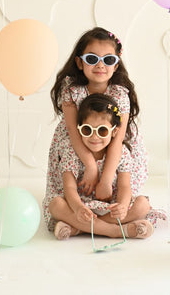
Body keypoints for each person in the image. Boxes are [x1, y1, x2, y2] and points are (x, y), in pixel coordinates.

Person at [48, 27, 148, 203]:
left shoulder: (119, 95)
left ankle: (113, 209)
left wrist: (106, 179)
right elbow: (72, 131)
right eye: (92, 59)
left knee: (125, 198)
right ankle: (78, 206)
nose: (100, 65)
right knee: (66, 197)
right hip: (78, 144)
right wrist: (91, 167)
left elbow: (117, 140)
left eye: (108, 59)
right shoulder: (71, 90)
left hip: (113, 148)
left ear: (116, 65)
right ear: (80, 63)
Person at [43, 93, 153, 240]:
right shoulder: (71, 150)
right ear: (79, 128)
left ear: (114, 131)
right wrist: (78, 208)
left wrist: (122, 206)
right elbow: (69, 188)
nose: (95, 137)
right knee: (56, 204)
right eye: (87, 130)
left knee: (143, 205)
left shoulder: (121, 153)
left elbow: (125, 186)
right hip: (80, 205)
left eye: (102, 131)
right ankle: (116, 231)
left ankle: (79, 229)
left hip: (110, 208)